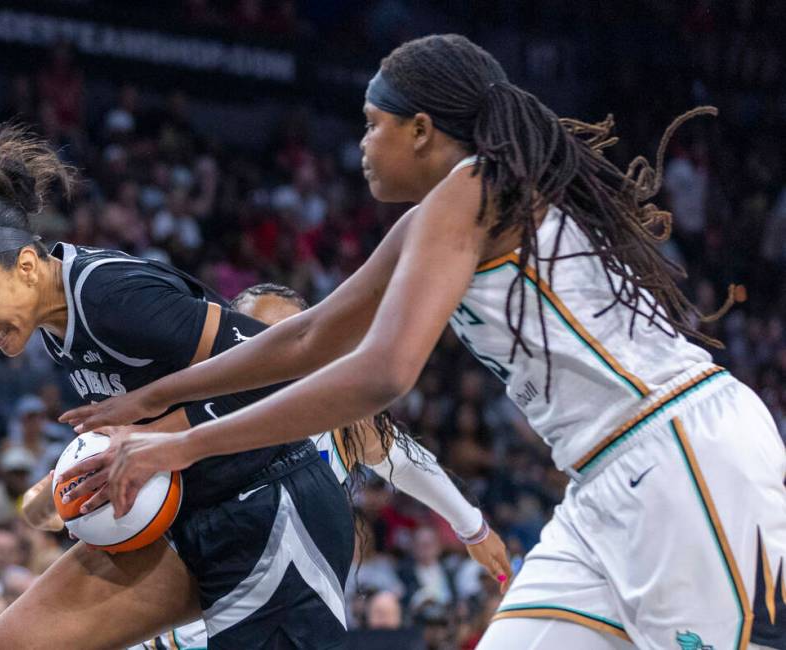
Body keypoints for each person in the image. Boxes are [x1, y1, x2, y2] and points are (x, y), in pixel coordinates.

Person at [60, 34, 786, 649]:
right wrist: (155, 398)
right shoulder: (443, 214)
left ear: (421, 129)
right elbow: (308, 337)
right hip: (605, 481)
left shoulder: (472, 188)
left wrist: (183, 445)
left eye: (372, 123)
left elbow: (380, 374)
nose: (362, 144)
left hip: (681, 454)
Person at [0, 125, 354, 649]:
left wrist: (157, 444)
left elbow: (283, 371)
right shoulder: (51, 318)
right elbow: (145, 420)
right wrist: (67, 481)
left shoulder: (113, 297)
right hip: (191, 511)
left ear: (25, 266)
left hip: (269, 499)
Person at [22, 282, 508, 650]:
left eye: (283, 339)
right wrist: (74, 506)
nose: (271, 355)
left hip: (280, 594)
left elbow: (406, 460)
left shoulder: (335, 413)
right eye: (255, 340)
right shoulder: (175, 419)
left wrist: (473, 528)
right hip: (181, 615)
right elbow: (43, 506)